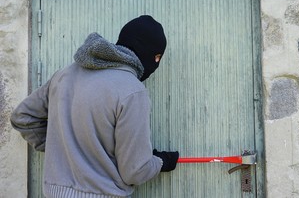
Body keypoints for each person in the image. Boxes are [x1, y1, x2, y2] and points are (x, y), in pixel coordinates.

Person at [10, 15, 179, 198]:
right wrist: (161, 162)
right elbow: (135, 170)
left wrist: (63, 148)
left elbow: (23, 117)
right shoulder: (132, 91)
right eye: (156, 57)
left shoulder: (64, 75)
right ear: (148, 53)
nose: (156, 63)